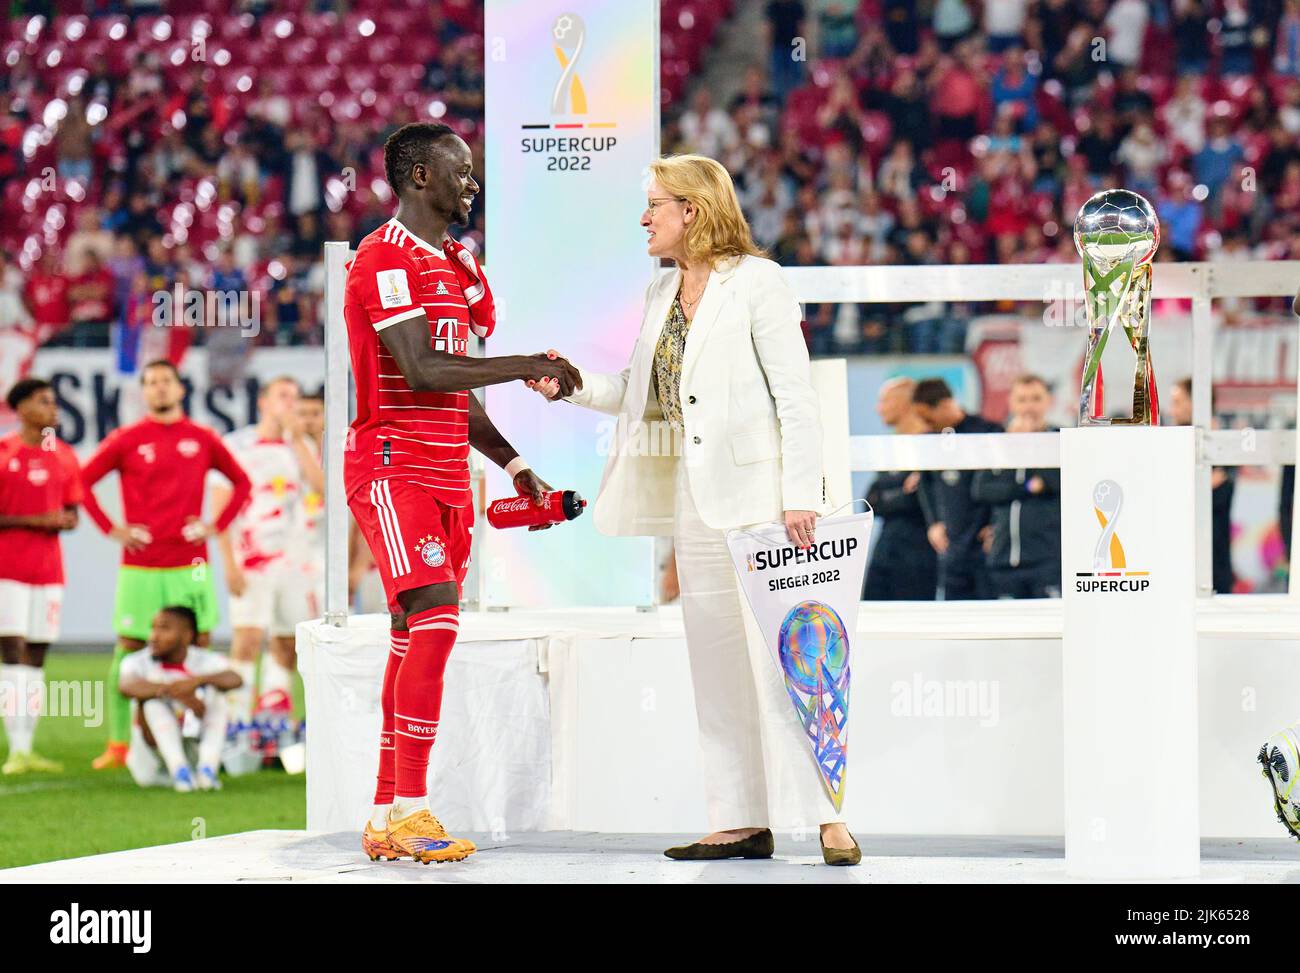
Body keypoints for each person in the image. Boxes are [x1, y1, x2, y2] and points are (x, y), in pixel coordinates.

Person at [530, 153, 859, 865]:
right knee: (715, 664)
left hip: (768, 503)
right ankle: (741, 819)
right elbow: (634, 388)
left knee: (790, 658)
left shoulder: (758, 282)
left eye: (655, 203)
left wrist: (801, 493)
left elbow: (794, 395)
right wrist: (569, 383)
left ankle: (830, 817)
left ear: (694, 210)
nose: (644, 217)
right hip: (696, 502)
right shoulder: (659, 293)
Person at [344, 122, 576, 864]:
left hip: (449, 471)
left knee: (413, 637)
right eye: (460, 171)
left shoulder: (457, 265)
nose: (471, 184)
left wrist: (513, 466)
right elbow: (421, 370)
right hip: (391, 465)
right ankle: (414, 808)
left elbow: (457, 389)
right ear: (419, 177)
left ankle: (384, 813)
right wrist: (524, 363)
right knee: (437, 621)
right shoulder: (382, 257)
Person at [80, 359, 252, 770]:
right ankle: (120, 744)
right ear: (144, 392)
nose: (158, 388)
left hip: (190, 564)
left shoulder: (202, 438)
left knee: (200, 647)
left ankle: (198, 739)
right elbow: (83, 482)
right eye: (151, 383)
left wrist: (215, 526)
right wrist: (112, 528)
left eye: (165, 381)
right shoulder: (127, 439)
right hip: (140, 564)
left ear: (180, 389)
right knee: (131, 648)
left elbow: (242, 483)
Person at [208, 376, 323, 723]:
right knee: (247, 638)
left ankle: (272, 720)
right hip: (251, 561)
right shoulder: (236, 446)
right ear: (263, 402)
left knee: (286, 642)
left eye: (294, 396)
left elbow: (322, 488)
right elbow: (220, 510)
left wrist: (298, 440)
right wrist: (228, 563)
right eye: (282, 395)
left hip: (296, 563)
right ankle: (235, 720)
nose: (290, 402)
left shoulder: (304, 447)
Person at [0, 378, 82, 774]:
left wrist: (65, 520)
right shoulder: (4, 453)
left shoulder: (64, 456)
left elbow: (73, 512)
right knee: (11, 651)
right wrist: (36, 520)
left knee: (36, 655)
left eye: (54, 401)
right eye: (43, 401)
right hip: (7, 569)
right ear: (22, 409)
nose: (53, 408)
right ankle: (15, 748)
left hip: (49, 570)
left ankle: (26, 747)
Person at [118, 606, 243, 792]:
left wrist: (198, 681)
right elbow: (126, 686)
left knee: (218, 695)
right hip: (152, 763)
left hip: (193, 745)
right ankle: (179, 770)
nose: (154, 636)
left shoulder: (204, 660)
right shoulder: (137, 661)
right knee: (151, 700)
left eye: (164, 628)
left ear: (186, 635)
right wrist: (178, 692)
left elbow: (235, 679)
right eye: (153, 628)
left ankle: (207, 768)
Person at [971, 375, 1062, 599]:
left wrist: (1029, 444)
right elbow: (982, 489)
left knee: (1048, 629)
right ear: (1011, 403)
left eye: (1035, 398)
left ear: (1048, 402)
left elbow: (1057, 481)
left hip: (1048, 559)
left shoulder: (1061, 439)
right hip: (1002, 559)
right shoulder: (999, 443)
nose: (1029, 406)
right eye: (1022, 399)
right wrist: (1028, 487)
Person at [911, 377, 1002, 600]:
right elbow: (925, 483)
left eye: (927, 416)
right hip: (951, 547)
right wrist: (933, 523)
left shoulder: (988, 432)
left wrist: (996, 523)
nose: (925, 423)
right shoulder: (930, 440)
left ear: (944, 405)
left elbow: (1002, 484)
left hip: (984, 545)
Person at [863, 377, 937, 600]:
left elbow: (925, 500)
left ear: (905, 403)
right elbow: (870, 502)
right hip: (886, 549)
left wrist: (890, 496)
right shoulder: (890, 446)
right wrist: (903, 492)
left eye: (884, 401)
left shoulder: (932, 444)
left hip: (920, 553)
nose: (878, 409)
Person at [1167, 377, 1235, 593]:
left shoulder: (1221, 446)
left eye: (1178, 403)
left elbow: (1218, 494)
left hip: (1214, 563)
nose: (1172, 411)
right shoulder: (1168, 445)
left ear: (1196, 403)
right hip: (1173, 562)